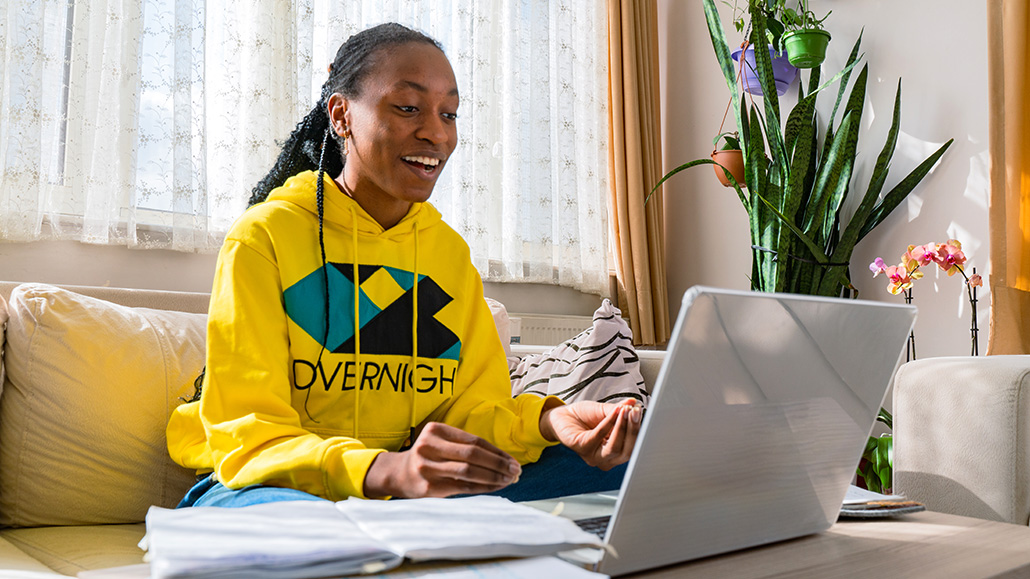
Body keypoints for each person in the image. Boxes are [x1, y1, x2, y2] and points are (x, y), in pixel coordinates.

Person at [167, 22, 641, 508]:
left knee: (625, 464)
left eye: (449, 113)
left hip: (410, 487)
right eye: (408, 107)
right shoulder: (265, 237)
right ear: (342, 115)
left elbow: (473, 416)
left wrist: (547, 421)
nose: (436, 133)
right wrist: (381, 469)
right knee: (321, 531)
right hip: (275, 485)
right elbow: (251, 433)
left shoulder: (448, 255)